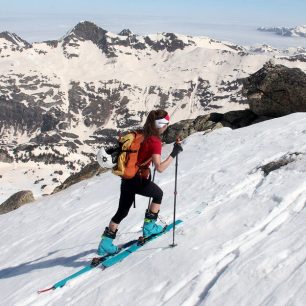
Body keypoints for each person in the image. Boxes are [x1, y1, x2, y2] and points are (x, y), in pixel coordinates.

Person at [97, 109, 183, 256]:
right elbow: (160, 167)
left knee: (122, 211)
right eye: (166, 124)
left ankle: (105, 244)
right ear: (161, 125)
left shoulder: (142, 133)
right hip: (135, 179)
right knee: (158, 194)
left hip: (127, 176)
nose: (167, 126)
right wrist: (174, 153)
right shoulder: (155, 141)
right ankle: (149, 227)